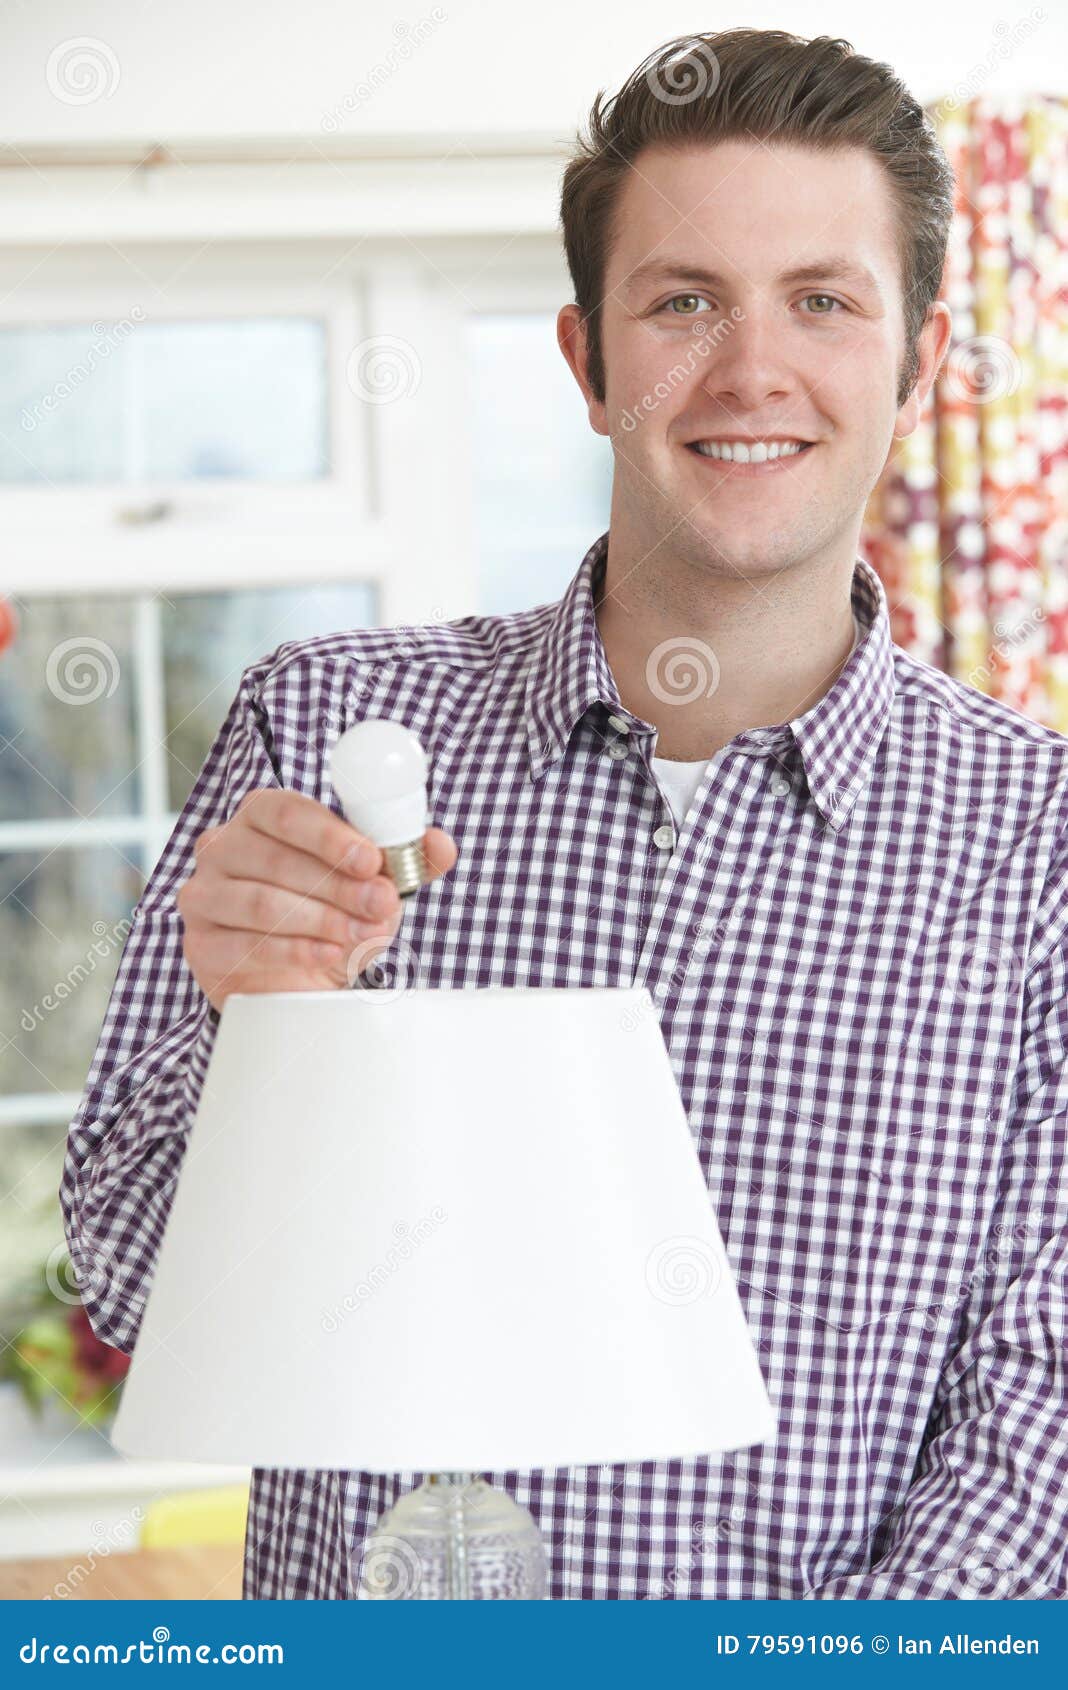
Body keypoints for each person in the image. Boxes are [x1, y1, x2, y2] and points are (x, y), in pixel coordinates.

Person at [62, 28, 1067, 1599]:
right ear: (588, 363)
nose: (751, 371)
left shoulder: (1036, 841)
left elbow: (1039, 1428)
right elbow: (126, 1272)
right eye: (683, 302)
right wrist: (236, 1023)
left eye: (823, 299)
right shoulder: (320, 732)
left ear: (922, 361)